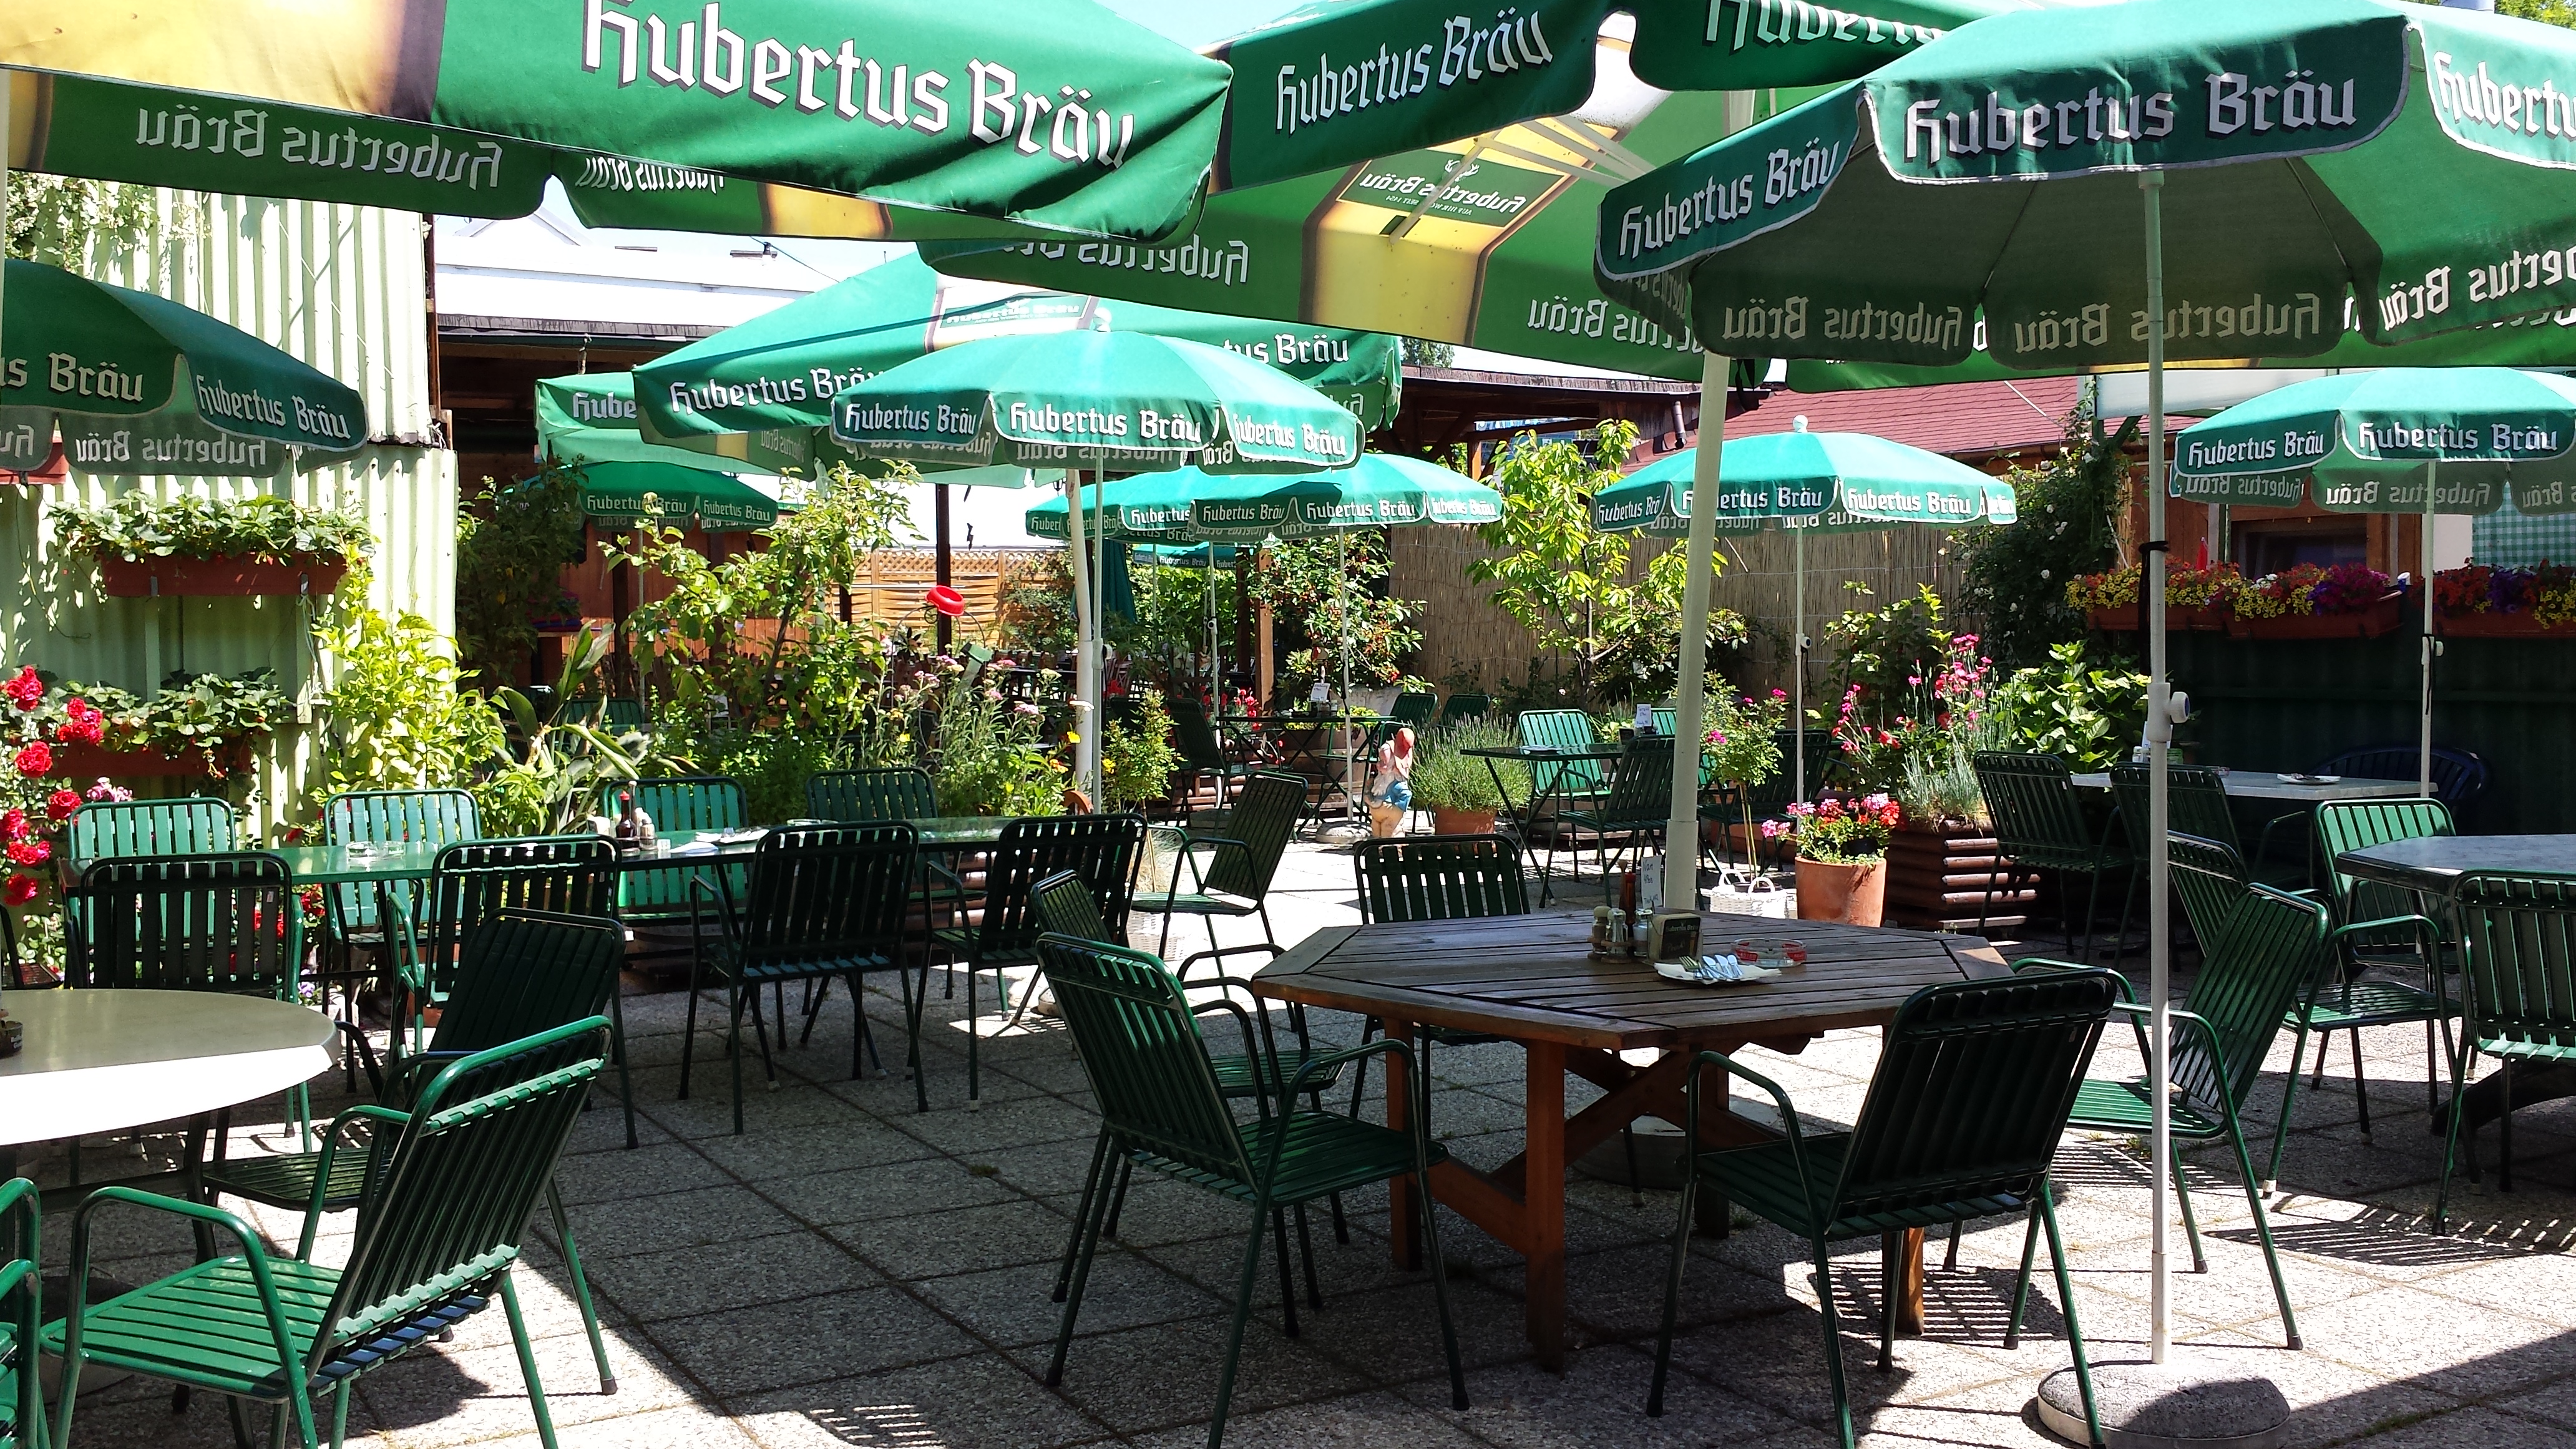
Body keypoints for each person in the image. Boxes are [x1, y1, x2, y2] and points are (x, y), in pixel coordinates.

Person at [1368, 725, 1415, 837]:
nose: (1379, 764)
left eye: (1384, 762)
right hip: (1378, 811)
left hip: (1388, 815)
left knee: (1388, 832)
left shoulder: (1396, 784)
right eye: (1380, 760)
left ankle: (1389, 846)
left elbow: (1407, 794)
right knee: (1376, 831)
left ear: (1394, 765)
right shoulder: (1381, 781)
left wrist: (1396, 811)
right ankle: (1376, 844)